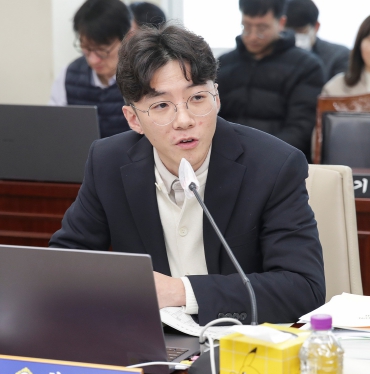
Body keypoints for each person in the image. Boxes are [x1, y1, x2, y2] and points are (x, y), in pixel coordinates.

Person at [49, 24, 325, 325]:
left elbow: (303, 289)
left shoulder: (273, 166)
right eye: (161, 105)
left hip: (239, 342)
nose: (184, 120)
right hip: (151, 342)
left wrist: (180, 291)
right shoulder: (108, 163)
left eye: (197, 98)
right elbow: (64, 265)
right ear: (133, 119)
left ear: (216, 98)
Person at [216, 0, 324, 161]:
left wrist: (257, 156)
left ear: (281, 23)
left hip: (278, 160)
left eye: (262, 29)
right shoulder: (224, 64)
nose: (253, 36)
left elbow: (300, 129)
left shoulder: (306, 67)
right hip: (227, 157)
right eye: (246, 27)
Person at [49, 0, 131, 138]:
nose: (93, 60)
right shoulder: (69, 74)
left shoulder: (142, 76)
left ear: (127, 38)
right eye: (86, 49)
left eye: (102, 51)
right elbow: (53, 124)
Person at [285, 0, 350, 81]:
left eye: (300, 31)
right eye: (288, 31)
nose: (294, 36)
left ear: (316, 27)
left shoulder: (337, 56)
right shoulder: (275, 53)